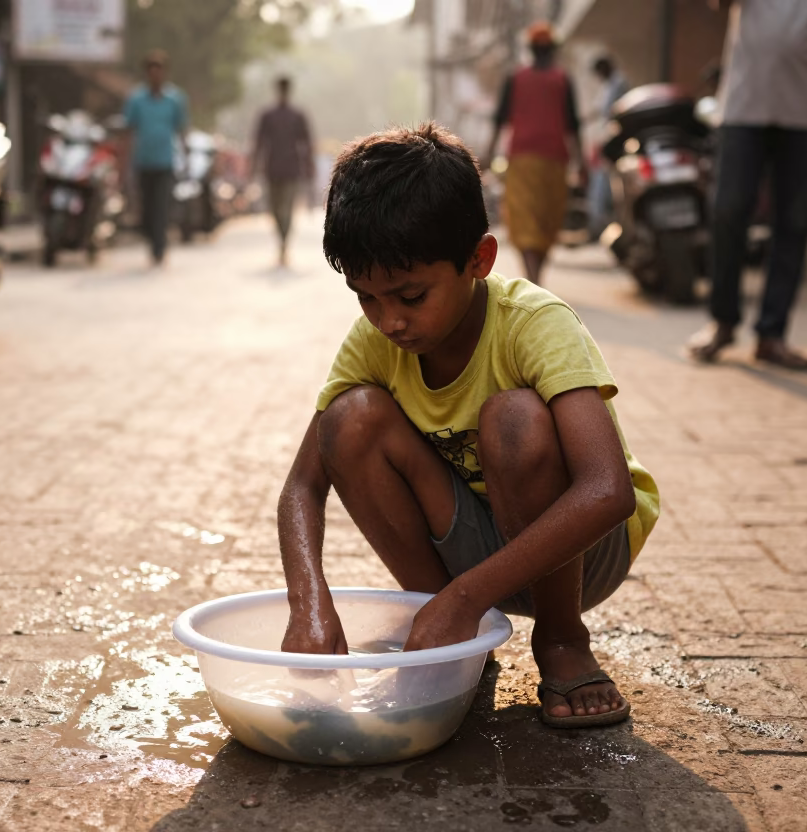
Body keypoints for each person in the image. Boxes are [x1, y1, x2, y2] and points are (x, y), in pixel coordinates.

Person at [277, 124, 660, 727]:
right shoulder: (376, 342)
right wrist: (307, 602)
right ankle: (458, 644)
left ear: (479, 259)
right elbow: (302, 486)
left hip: (582, 553)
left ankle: (561, 641)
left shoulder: (533, 323)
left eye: (410, 296)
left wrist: (465, 597)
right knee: (350, 420)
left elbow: (607, 492)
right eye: (366, 298)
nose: (389, 322)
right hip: (471, 554)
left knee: (513, 418)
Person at [687, 0, 807, 370]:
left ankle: (772, 335)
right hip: (744, 103)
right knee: (728, 208)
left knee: (795, 222)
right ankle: (722, 321)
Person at [483, 22, 588, 286]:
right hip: (554, 161)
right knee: (545, 221)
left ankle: (534, 277)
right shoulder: (562, 80)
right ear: (552, 50)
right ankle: (535, 278)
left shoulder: (516, 78)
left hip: (523, 160)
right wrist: (581, 162)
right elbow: (573, 126)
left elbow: (499, 121)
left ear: (530, 50)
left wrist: (487, 155)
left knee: (526, 219)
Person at [122, 50, 189, 267]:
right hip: (143, 161)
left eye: (159, 71)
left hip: (165, 161)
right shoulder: (136, 99)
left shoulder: (175, 99)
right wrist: (123, 161)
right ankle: (153, 240)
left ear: (164, 73)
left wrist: (186, 156)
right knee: (146, 209)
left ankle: (159, 248)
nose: (155, 76)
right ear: (147, 74)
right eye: (151, 72)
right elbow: (128, 131)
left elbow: (181, 129)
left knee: (161, 206)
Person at [252, 76, 314, 267]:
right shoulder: (267, 115)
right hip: (272, 169)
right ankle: (282, 241)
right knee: (274, 209)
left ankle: (283, 244)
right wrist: (253, 166)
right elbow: (258, 142)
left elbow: (307, 143)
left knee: (286, 209)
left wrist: (309, 166)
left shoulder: (298, 115)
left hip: (291, 169)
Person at [586, 56, 629, 239]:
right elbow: (599, 109)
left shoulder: (619, 83)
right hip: (607, 138)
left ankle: (608, 224)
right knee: (600, 181)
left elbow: (615, 112)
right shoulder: (608, 85)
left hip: (616, 140)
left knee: (609, 182)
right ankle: (598, 224)